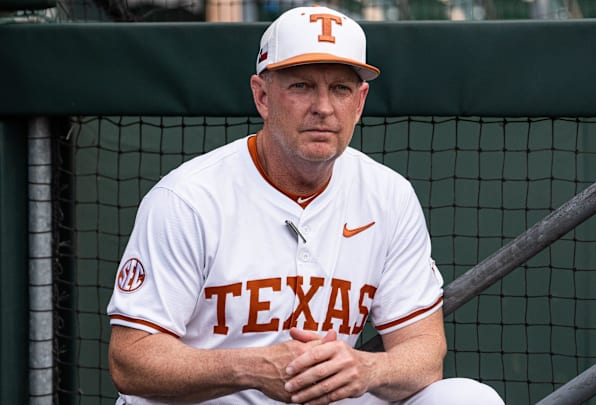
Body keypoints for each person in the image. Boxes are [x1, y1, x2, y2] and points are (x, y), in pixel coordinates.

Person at [106, 5, 505, 405]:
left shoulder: (389, 196)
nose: (323, 108)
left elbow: (424, 352)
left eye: (340, 89)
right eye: (301, 86)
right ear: (262, 96)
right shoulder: (188, 199)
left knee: (468, 398)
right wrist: (252, 368)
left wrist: (367, 369)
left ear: (360, 102)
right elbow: (130, 360)